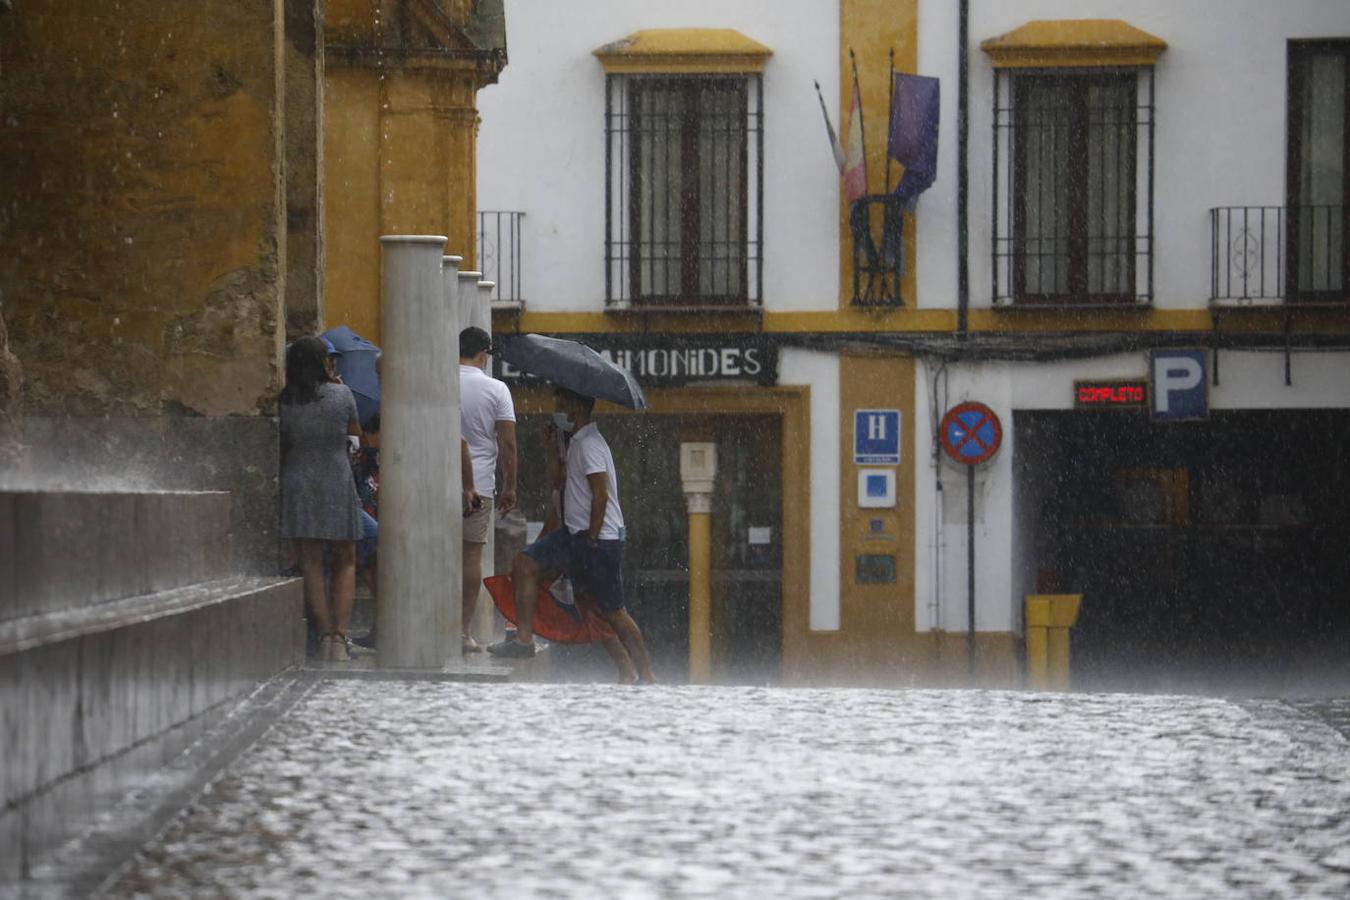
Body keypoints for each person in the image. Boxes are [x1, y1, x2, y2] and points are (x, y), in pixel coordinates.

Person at [490, 387, 655, 684]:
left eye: (561, 403)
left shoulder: (590, 444)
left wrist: (591, 538)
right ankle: (524, 640)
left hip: (597, 540)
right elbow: (562, 485)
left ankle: (646, 674)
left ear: (576, 408)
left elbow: (600, 494)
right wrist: (552, 449)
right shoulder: (576, 442)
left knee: (613, 612)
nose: (557, 408)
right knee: (528, 567)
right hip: (574, 537)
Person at [279, 335, 363, 662]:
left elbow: (284, 440)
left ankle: (324, 631)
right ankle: (339, 640)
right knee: (345, 558)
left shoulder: (286, 399)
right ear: (322, 362)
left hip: (298, 478)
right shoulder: (341, 394)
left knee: (310, 562)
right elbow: (356, 434)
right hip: (335, 477)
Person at [459, 326, 516, 653]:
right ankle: (462, 630)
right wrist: (510, 486)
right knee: (470, 558)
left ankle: (428, 621)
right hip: (480, 485)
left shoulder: (443, 380)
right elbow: (507, 444)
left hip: (436, 479)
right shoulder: (496, 389)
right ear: (484, 354)